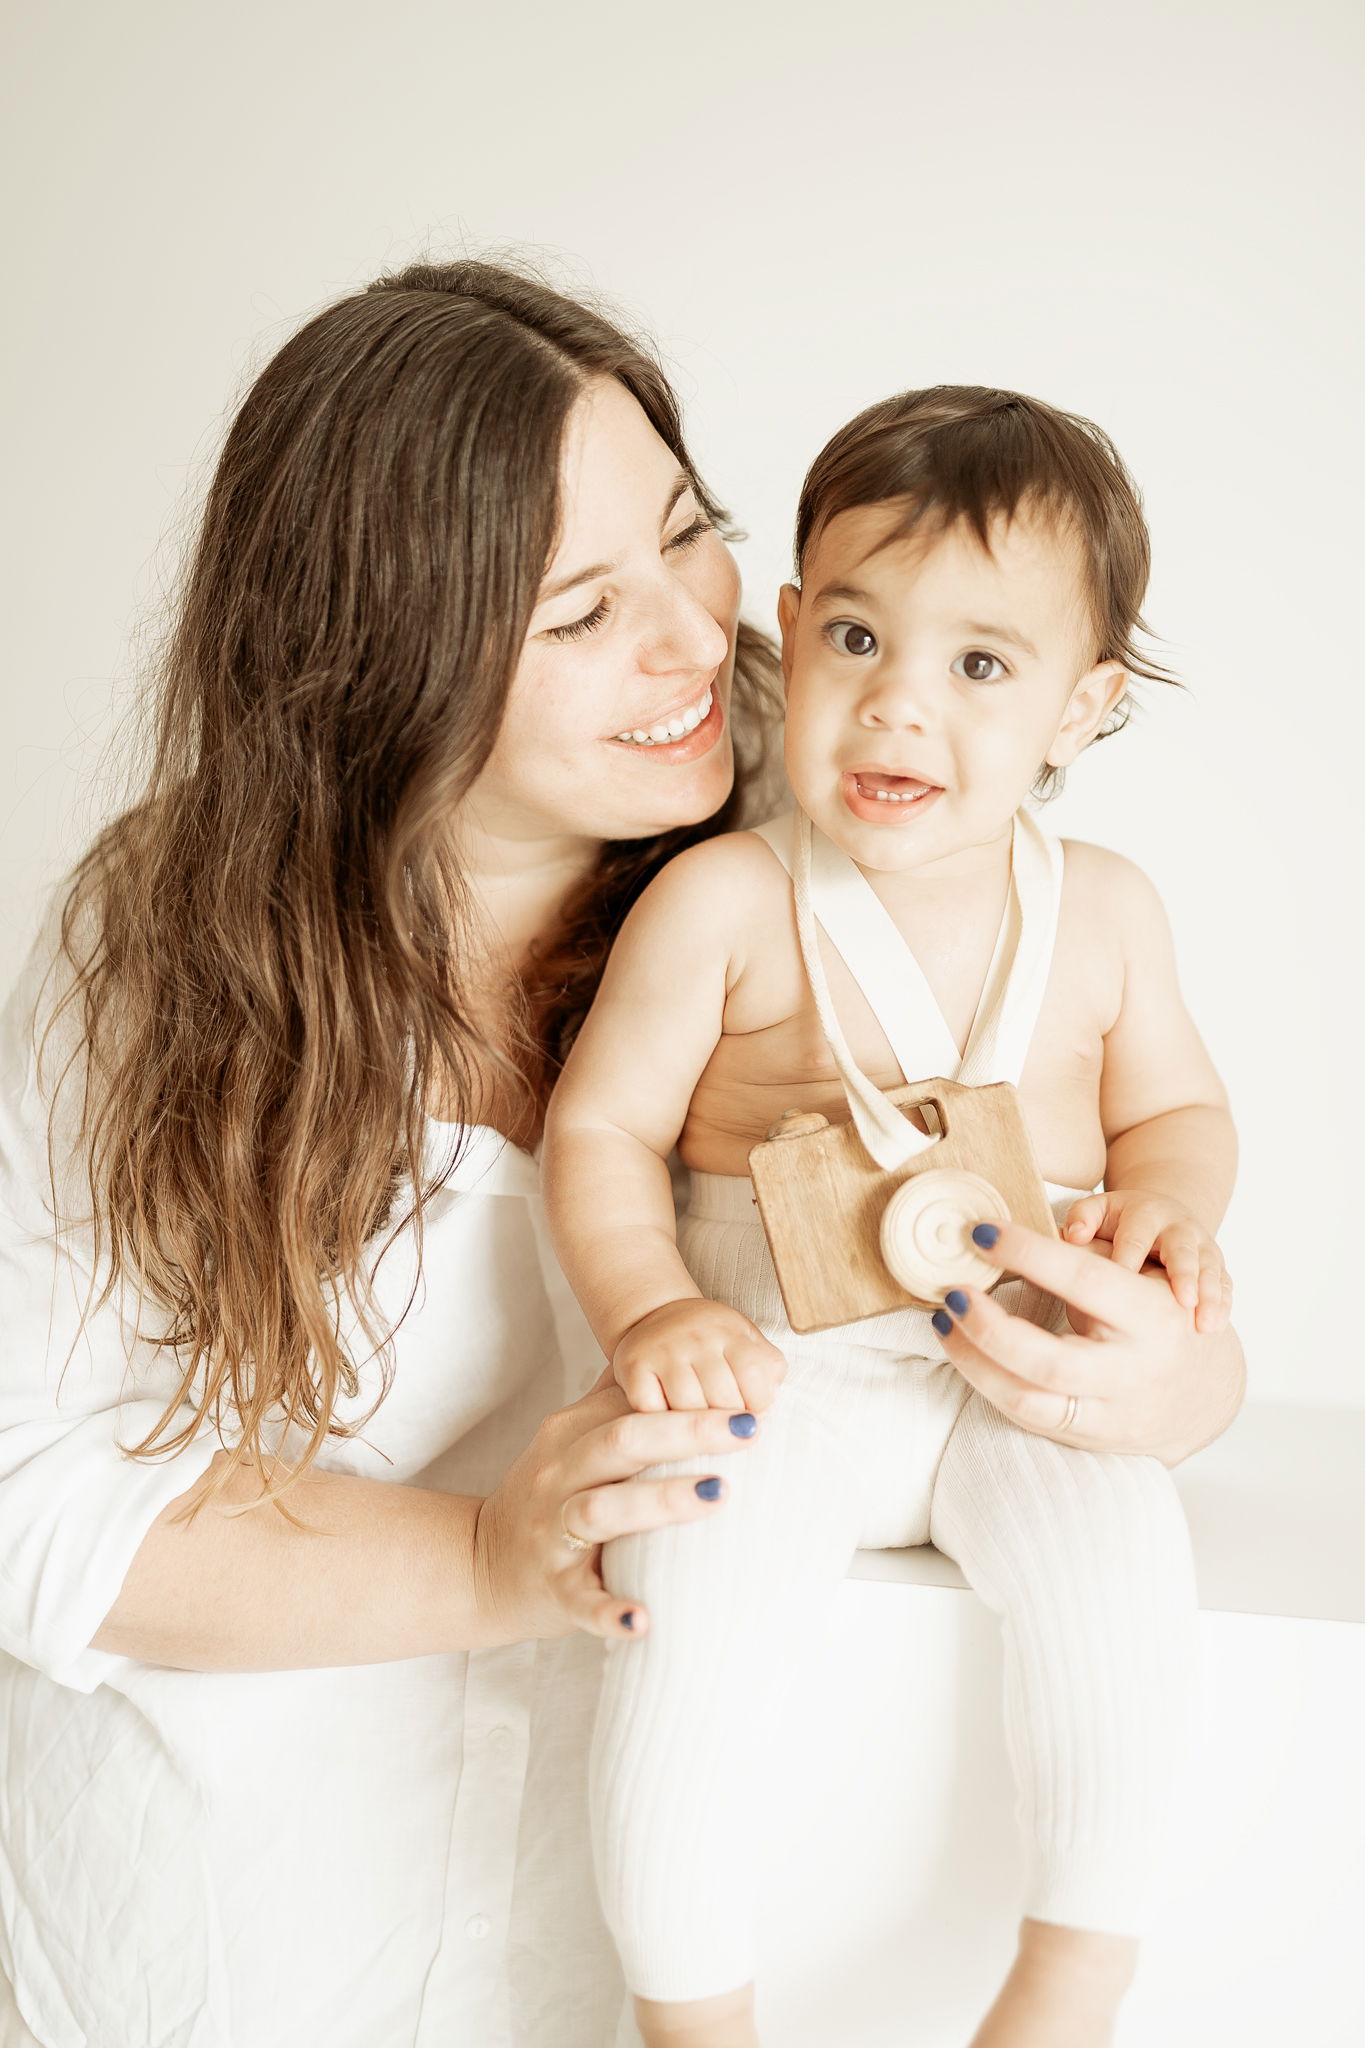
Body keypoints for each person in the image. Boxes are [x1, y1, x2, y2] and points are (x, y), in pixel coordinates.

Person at [0, 261, 1243, 2048]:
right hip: (227, 1959)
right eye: (580, 611)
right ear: (382, 655)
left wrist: (1166, 1381)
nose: (690, 640)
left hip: (587, 1982)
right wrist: (485, 1563)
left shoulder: (841, 822)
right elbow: (28, 1499)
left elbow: (1090, 1182)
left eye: (688, 536)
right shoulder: (167, 958)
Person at [544, 385, 1238, 2048]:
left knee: (1125, 1591)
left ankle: (1068, 1981)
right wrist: (650, 1307)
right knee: (687, 1622)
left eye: (979, 665)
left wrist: (1166, 1208)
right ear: (790, 632)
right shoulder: (725, 898)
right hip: (775, 1365)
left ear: (1082, 705)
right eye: (856, 638)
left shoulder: (1106, 913)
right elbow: (601, 1128)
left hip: (1017, 1368)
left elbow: (1178, 1113)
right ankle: (689, 2015)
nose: (897, 705)